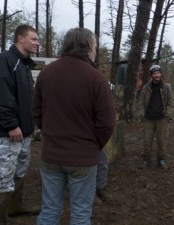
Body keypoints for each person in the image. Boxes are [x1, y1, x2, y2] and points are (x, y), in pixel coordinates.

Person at [32, 27, 115, 225]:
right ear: (87, 48)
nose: (96, 51)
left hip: (52, 154)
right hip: (82, 159)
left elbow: (36, 112)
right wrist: (92, 145)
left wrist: (51, 134)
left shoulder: (47, 73)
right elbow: (107, 122)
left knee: (49, 211)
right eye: (95, 46)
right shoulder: (96, 78)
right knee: (80, 214)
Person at [0, 24, 40, 225]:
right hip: (10, 132)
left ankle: (15, 208)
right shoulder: (4, 61)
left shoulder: (24, 64)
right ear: (20, 38)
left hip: (24, 132)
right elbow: (0, 97)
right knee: (5, 175)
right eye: (33, 39)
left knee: (20, 171)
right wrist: (11, 125)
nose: (37, 43)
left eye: (37, 39)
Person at [138, 65, 174, 169]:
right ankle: (146, 160)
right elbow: (140, 103)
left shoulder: (167, 87)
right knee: (147, 141)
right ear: (151, 75)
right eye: (154, 73)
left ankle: (161, 160)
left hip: (162, 118)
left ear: (161, 74)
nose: (157, 75)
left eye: (158, 73)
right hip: (148, 119)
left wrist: (168, 115)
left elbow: (171, 103)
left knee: (162, 141)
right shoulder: (146, 88)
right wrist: (142, 115)